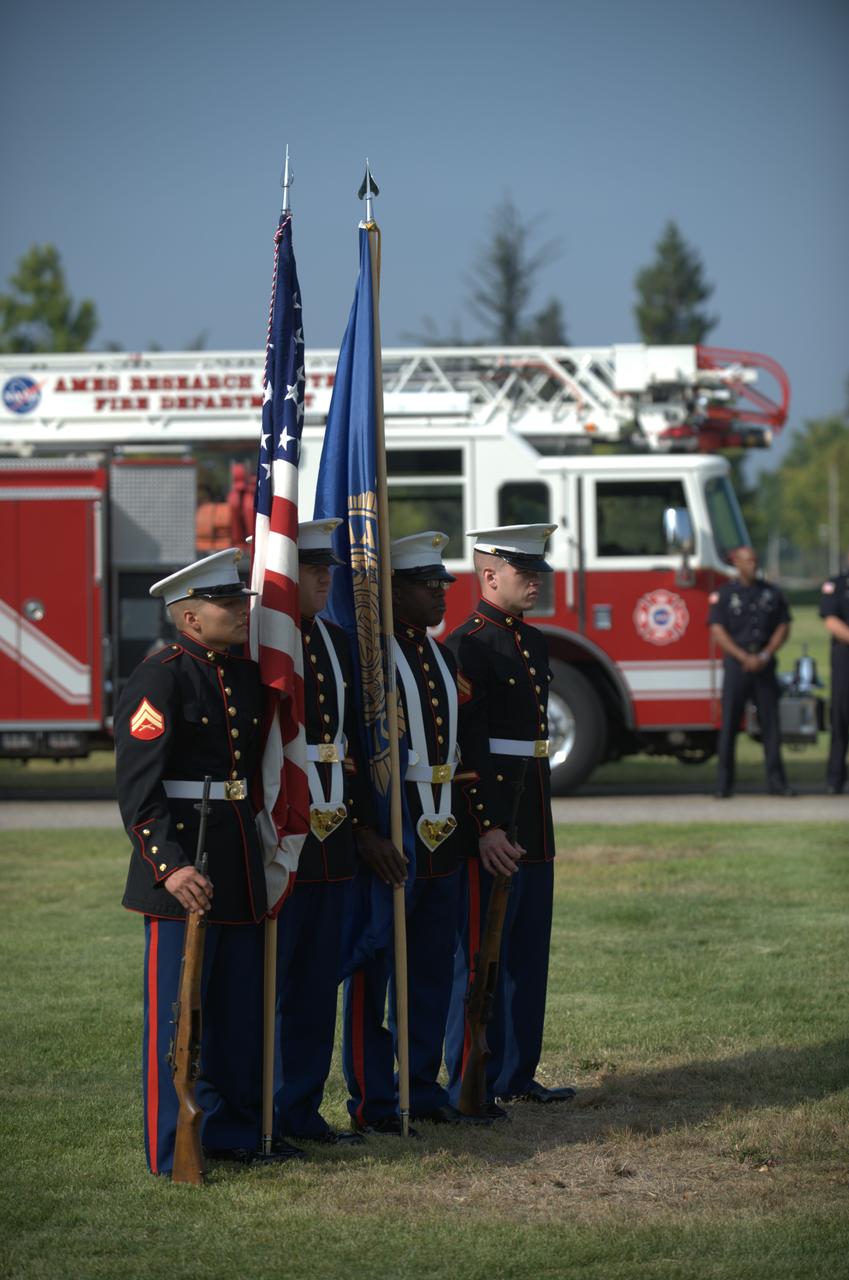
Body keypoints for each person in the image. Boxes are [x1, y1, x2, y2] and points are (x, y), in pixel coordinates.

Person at [116, 548, 302, 1175]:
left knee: (238, 1010)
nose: (242, 611)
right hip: (183, 868)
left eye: (238, 600)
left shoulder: (246, 676)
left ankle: (234, 1133)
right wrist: (169, 866)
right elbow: (139, 791)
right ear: (190, 618)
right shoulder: (160, 678)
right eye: (226, 604)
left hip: (237, 861)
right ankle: (172, 1147)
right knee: (179, 1015)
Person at [444, 524, 576, 1110]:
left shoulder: (534, 641)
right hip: (495, 816)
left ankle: (518, 1073)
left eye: (538, 572)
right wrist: (487, 825)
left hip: (533, 809)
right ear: (490, 575)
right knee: (482, 957)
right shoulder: (468, 645)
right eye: (526, 573)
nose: (536, 582)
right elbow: (466, 747)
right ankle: (473, 1078)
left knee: (528, 951)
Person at [343, 531, 471, 1131]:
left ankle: (419, 1086)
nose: (441, 594)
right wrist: (363, 828)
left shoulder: (440, 655)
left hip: (441, 824)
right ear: (392, 591)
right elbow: (354, 749)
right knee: (375, 968)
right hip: (394, 823)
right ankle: (373, 1098)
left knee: (430, 966)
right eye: (427, 585)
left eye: (443, 583)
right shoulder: (370, 661)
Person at [274, 520, 395, 1145]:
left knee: (317, 987)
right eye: (312, 568)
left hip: (331, 836)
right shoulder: (265, 640)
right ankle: (261, 1115)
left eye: (328, 568)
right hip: (280, 837)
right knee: (273, 985)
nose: (325, 578)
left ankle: (299, 1110)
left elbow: (354, 746)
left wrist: (364, 826)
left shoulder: (335, 639)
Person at [708, 545, 794, 798]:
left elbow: (783, 625)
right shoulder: (725, 594)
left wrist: (765, 654)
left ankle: (777, 783)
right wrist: (742, 656)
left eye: (755, 561)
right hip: (737, 664)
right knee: (729, 725)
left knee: (771, 725)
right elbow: (717, 629)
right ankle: (724, 784)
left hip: (764, 663)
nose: (752, 565)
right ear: (736, 563)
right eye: (747, 561)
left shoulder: (771, 593)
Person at [820, 553, 849, 795]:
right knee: (841, 717)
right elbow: (830, 620)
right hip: (845, 656)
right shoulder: (836, 585)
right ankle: (836, 777)